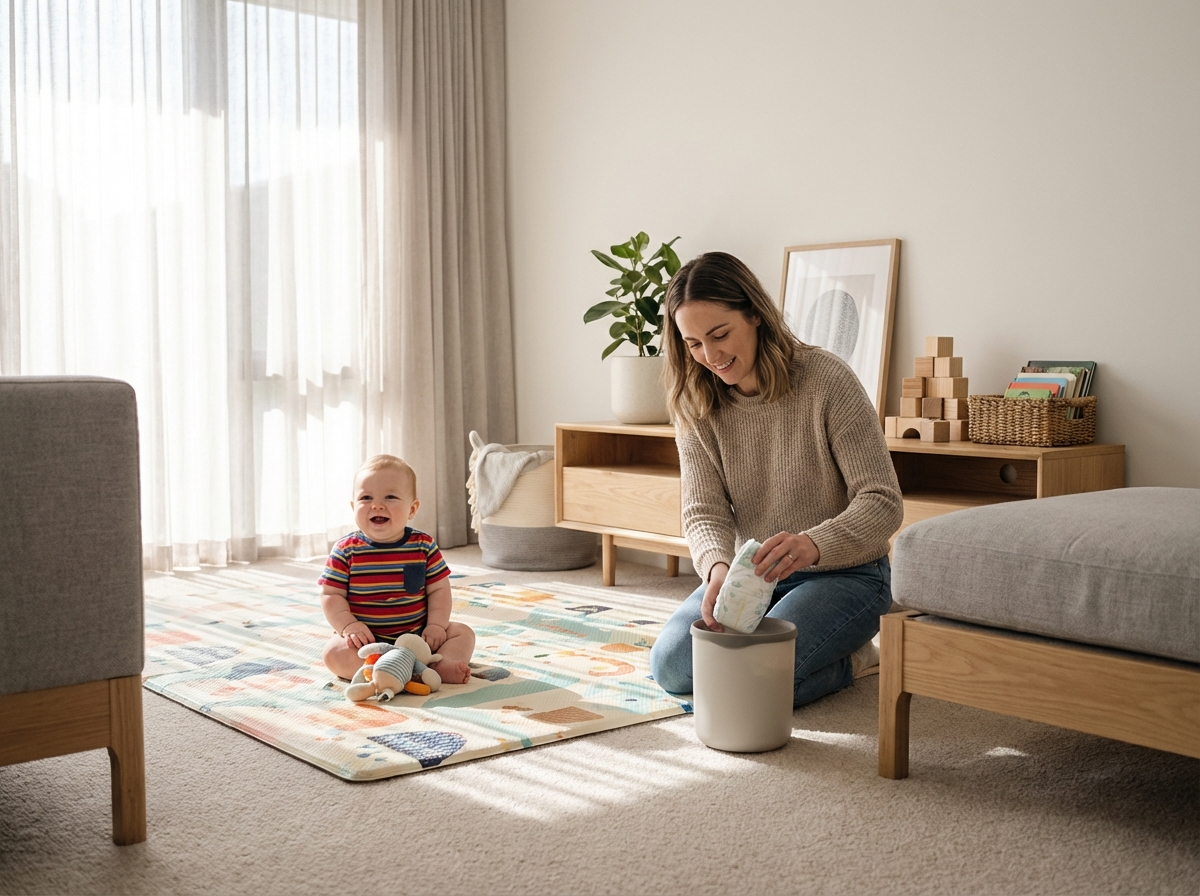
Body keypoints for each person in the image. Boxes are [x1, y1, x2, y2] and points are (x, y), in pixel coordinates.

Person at [648, 252, 904, 707]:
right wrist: (718, 570)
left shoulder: (826, 380)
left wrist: (812, 543)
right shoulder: (696, 402)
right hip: (755, 578)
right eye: (693, 344)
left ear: (754, 315)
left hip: (849, 575)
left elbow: (882, 501)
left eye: (720, 335)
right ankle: (820, 652)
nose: (711, 356)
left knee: (750, 682)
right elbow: (703, 511)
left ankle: (857, 658)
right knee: (672, 668)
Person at [319, 454, 475, 684]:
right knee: (333, 652)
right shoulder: (345, 550)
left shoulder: (423, 546)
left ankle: (438, 664)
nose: (377, 504)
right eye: (366, 497)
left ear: (412, 509)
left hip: (419, 638)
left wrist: (436, 626)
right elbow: (331, 595)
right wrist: (348, 625)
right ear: (353, 507)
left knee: (463, 633)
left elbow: (439, 590)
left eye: (390, 497)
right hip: (368, 643)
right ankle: (391, 669)